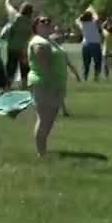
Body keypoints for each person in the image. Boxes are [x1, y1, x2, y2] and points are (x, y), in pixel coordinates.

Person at [28, 16, 77, 157]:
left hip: (55, 84)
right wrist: (51, 81)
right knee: (44, 118)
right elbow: (42, 60)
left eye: (49, 21)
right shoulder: (38, 41)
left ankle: (43, 148)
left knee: (50, 118)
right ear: (36, 26)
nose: (47, 23)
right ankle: (40, 153)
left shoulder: (50, 41)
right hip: (44, 83)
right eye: (42, 21)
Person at [3, 0, 34, 88]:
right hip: (24, 49)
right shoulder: (30, 23)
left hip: (12, 48)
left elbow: (7, 3)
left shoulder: (15, 17)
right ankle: (25, 88)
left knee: (11, 69)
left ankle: (7, 88)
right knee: (25, 70)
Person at [77, 8, 104, 81]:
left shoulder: (82, 24)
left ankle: (85, 77)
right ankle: (96, 77)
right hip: (95, 44)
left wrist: (84, 13)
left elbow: (78, 19)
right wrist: (93, 10)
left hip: (86, 44)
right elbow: (97, 19)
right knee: (97, 62)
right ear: (91, 17)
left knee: (86, 63)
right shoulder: (95, 23)